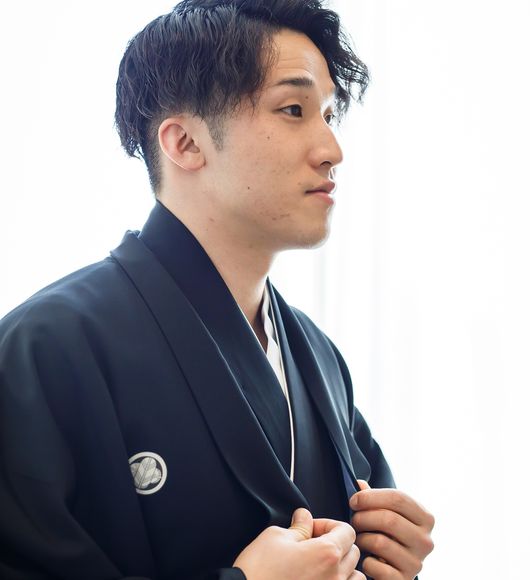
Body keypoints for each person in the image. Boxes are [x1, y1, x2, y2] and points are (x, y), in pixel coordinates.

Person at [0, 1, 434, 578]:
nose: (332, 149)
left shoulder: (318, 357)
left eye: (329, 115)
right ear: (184, 143)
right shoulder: (43, 348)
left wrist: (390, 560)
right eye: (294, 109)